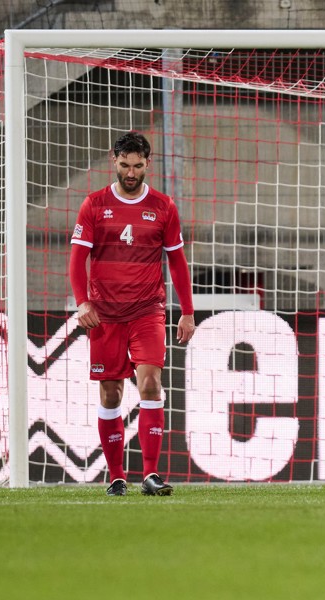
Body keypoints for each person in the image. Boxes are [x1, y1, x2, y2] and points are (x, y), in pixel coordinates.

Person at [69, 131, 196, 497]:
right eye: (124, 165)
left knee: (151, 384)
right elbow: (77, 261)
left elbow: (178, 263)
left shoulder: (163, 206)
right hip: (105, 315)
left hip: (147, 311)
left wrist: (187, 312)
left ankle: (151, 474)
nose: (130, 173)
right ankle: (116, 477)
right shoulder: (94, 205)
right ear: (115, 160)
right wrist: (83, 302)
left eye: (137, 166)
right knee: (111, 394)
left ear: (147, 164)